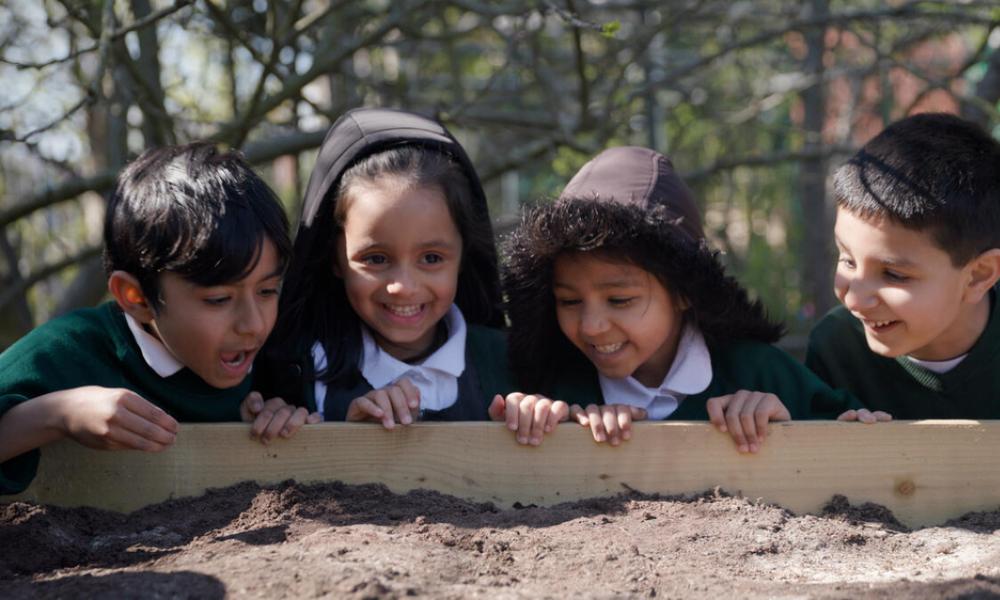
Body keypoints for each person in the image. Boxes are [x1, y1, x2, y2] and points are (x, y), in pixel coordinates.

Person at [501, 146, 871, 452]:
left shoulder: (758, 370)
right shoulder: (553, 383)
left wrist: (784, 421)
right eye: (569, 302)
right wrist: (535, 421)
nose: (591, 325)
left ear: (684, 291)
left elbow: (863, 439)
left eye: (619, 300)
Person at [0, 142, 316, 496]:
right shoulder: (63, 351)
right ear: (137, 299)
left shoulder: (281, 357)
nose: (253, 324)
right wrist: (57, 415)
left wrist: (283, 420)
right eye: (219, 299)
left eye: (268, 291)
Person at [257, 108, 516, 428]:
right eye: (376, 258)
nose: (403, 286)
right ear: (335, 257)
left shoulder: (512, 363)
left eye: (432, 258)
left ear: (464, 255)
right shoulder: (293, 374)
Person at [806, 113, 1000, 418]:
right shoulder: (836, 348)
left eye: (894, 274)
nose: (855, 299)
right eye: (847, 260)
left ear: (979, 275)